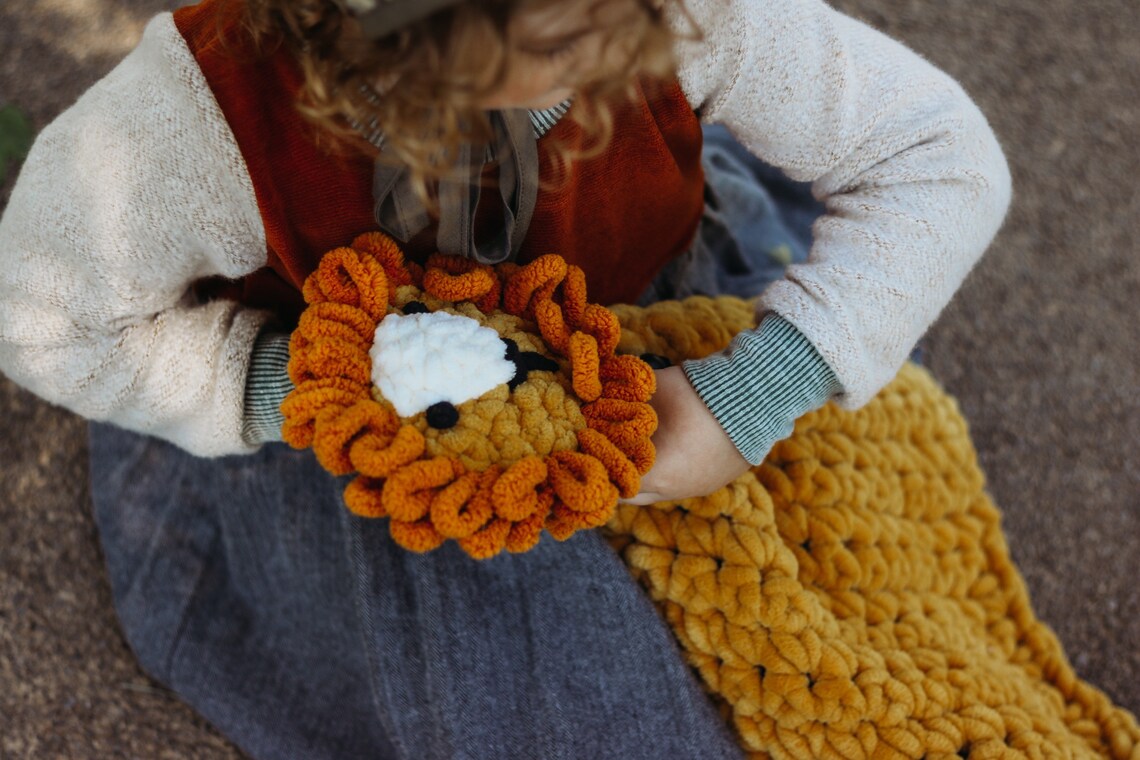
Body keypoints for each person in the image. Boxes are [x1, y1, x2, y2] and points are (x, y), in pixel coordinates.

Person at [0, 0, 1010, 757]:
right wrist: (284, 386)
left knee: (840, 610)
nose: (615, 34)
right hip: (374, 445)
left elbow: (939, 152)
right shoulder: (199, 122)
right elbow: (36, 310)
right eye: (561, 42)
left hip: (634, 318)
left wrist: (753, 390)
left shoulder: (683, 12)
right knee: (585, 706)